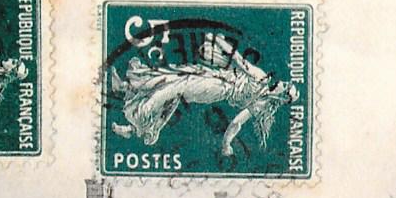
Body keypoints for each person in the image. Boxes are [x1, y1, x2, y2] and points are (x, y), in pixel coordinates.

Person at [110, 33, 299, 157]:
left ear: (283, 96)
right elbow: (237, 63)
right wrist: (226, 144)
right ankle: (127, 92)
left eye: (287, 87)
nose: (285, 82)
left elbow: (238, 61)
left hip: (217, 87)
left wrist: (218, 40)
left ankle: (136, 117)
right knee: (172, 78)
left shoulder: (261, 90)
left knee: (177, 86)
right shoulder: (263, 84)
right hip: (215, 77)